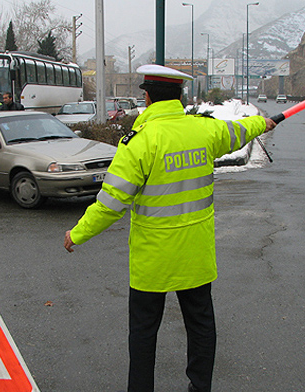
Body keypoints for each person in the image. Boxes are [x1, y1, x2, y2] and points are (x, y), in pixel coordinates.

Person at [63, 64, 277, 392]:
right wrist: (262, 122)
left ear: (147, 98)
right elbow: (238, 131)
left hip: (153, 261)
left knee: (144, 334)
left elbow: (111, 204)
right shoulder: (204, 131)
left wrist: (78, 233)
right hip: (195, 256)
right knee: (201, 326)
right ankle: (199, 386)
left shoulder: (139, 143)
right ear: (180, 96)